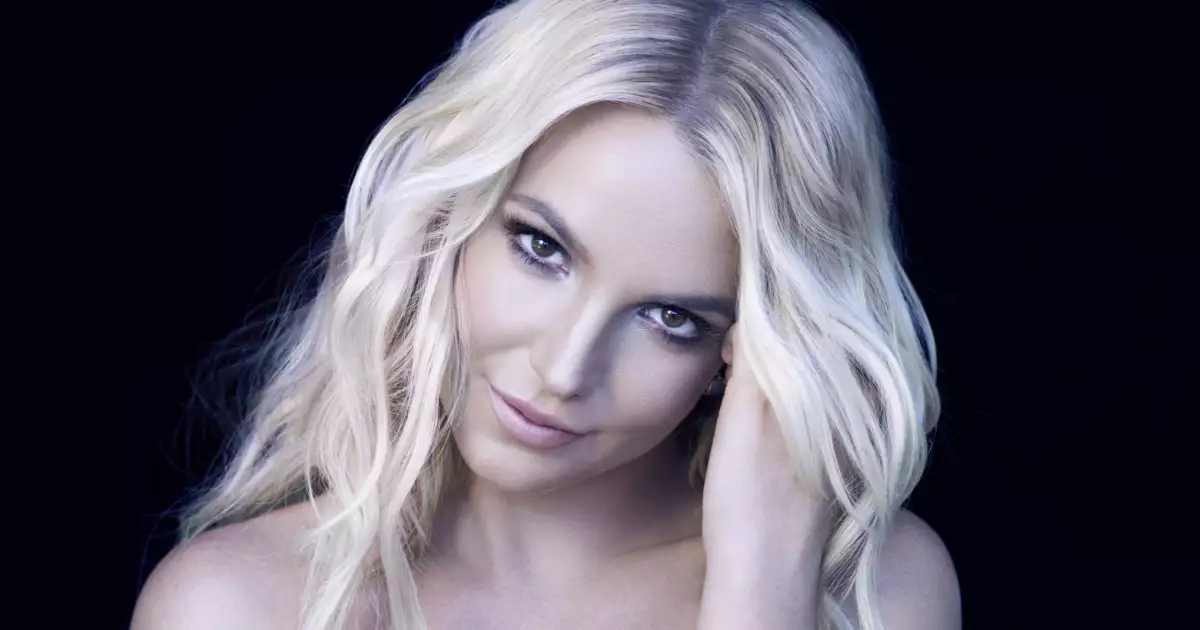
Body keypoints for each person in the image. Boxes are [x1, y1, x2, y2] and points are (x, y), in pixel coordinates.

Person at [131, 0, 960, 628]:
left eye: (671, 318)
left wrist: (760, 590)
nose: (564, 370)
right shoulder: (237, 605)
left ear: (744, 353)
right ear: (448, 221)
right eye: (541, 248)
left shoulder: (874, 592)